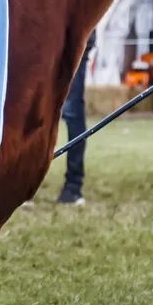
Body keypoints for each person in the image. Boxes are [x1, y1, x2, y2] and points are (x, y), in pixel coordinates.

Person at [57, 30, 96, 205]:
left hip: (74, 41)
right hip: (45, 40)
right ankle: (23, 185)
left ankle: (72, 187)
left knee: (72, 112)